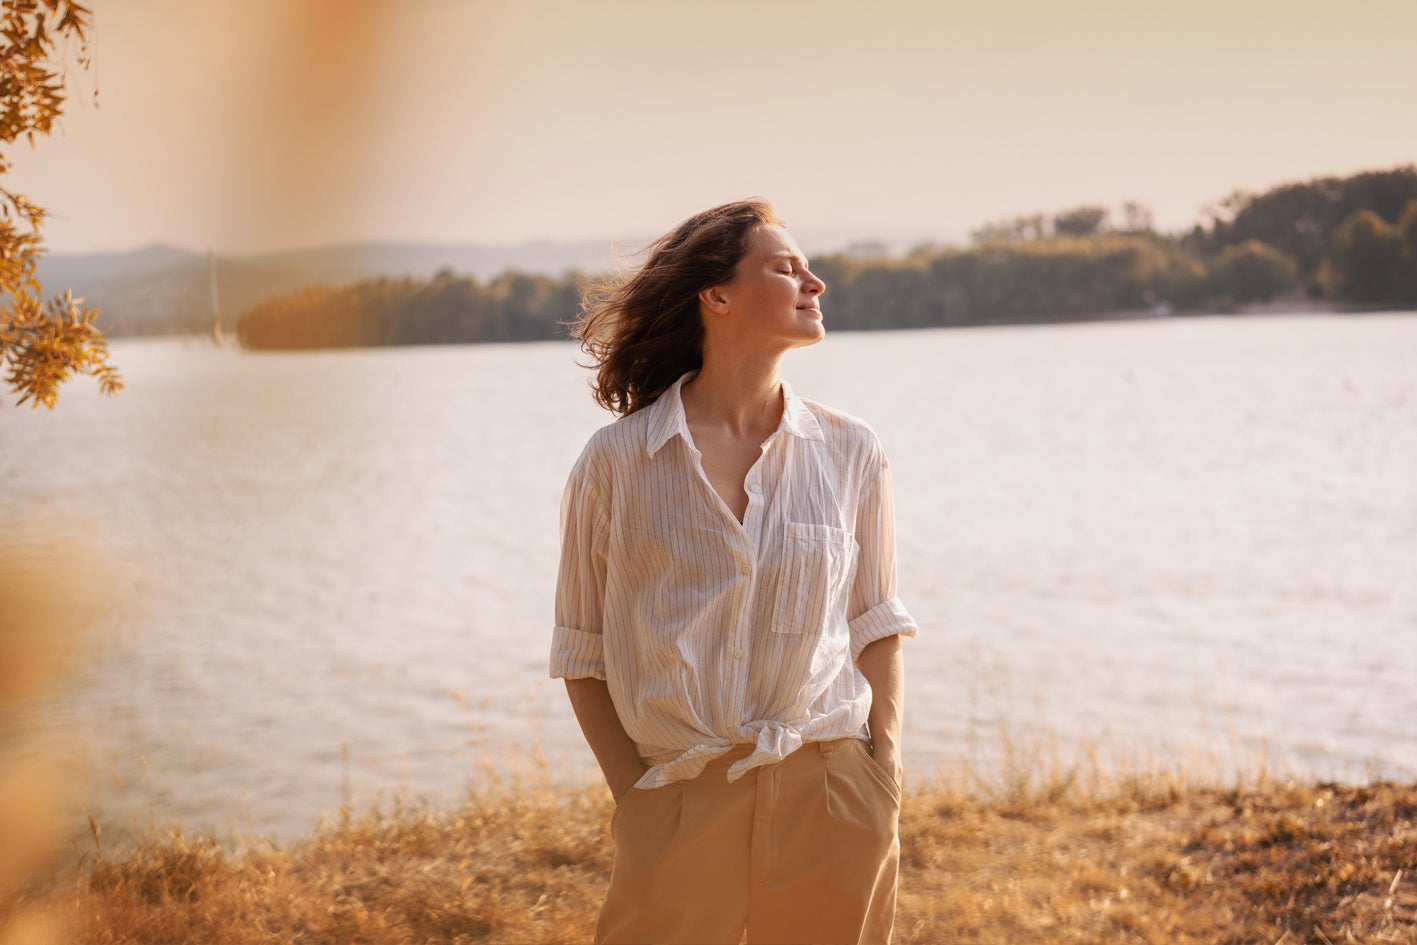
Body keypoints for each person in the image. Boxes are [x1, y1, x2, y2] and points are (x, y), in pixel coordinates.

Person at [550, 199, 917, 945]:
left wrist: (882, 773)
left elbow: (875, 621)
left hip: (831, 794)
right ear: (715, 296)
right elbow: (581, 651)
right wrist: (640, 800)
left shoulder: (851, 450)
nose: (814, 282)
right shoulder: (617, 462)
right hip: (680, 799)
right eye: (784, 268)